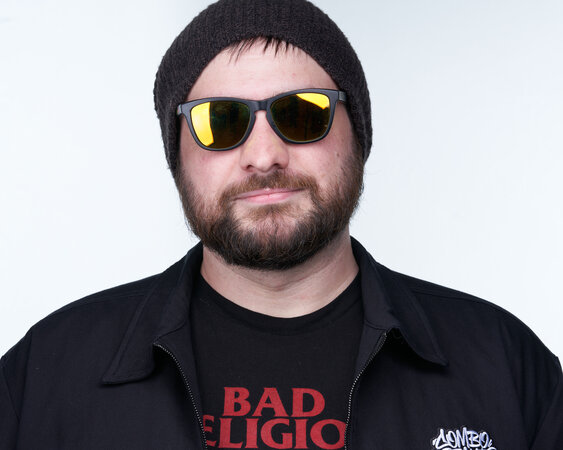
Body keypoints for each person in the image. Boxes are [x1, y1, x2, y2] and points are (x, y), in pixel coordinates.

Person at [1, 0, 561, 448]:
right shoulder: (45, 374)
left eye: (302, 113)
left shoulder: (506, 367)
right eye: (220, 121)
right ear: (178, 157)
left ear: (358, 138)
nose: (264, 156)